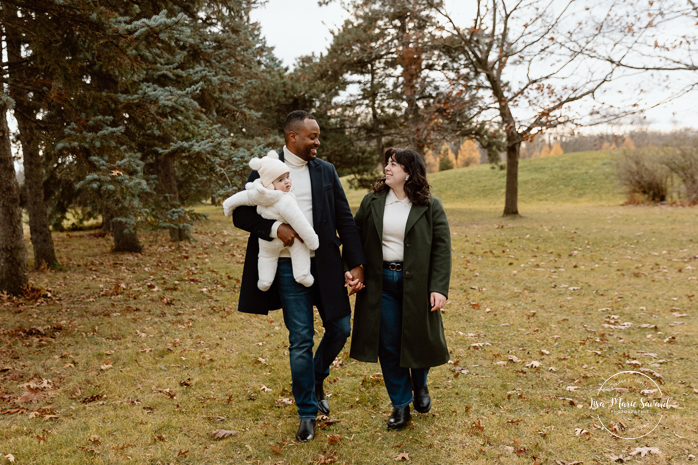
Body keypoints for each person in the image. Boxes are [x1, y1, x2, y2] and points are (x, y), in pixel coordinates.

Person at [232, 110, 366, 442]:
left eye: (317, 136)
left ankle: (316, 377)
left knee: (340, 328)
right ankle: (307, 411)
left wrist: (355, 262)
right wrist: (276, 228)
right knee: (301, 340)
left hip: (326, 265)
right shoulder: (265, 167)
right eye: (312, 136)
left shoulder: (325, 171)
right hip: (288, 269)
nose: (317, 142)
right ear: (293, 137)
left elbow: (344, 218)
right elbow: (242, 215)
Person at [350, 147, 451, 430]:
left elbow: (442, 249)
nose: (388, 167)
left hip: (418, 285)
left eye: (394, 164)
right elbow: (355, 237)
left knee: (419, 338)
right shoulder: (371, 202)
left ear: (409, 171)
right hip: (380, 283)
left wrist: (439, 287)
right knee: (389, 344)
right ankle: (400, 404)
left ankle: (420, 385)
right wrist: (354, 267)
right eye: (387, 163)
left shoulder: (431, 205)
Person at [223, 151, 319, 291]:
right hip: (285, 245)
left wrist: (227, 205)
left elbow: (244, 197)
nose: (287, 181)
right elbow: (300, 222)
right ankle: (302, 274)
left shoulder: (258, 193)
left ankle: (264, 281)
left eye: (287, 177)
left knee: (266, 256)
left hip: (276, 248)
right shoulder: (284, 200)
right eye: (281, 180)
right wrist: (311, 241)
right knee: (298, 249)